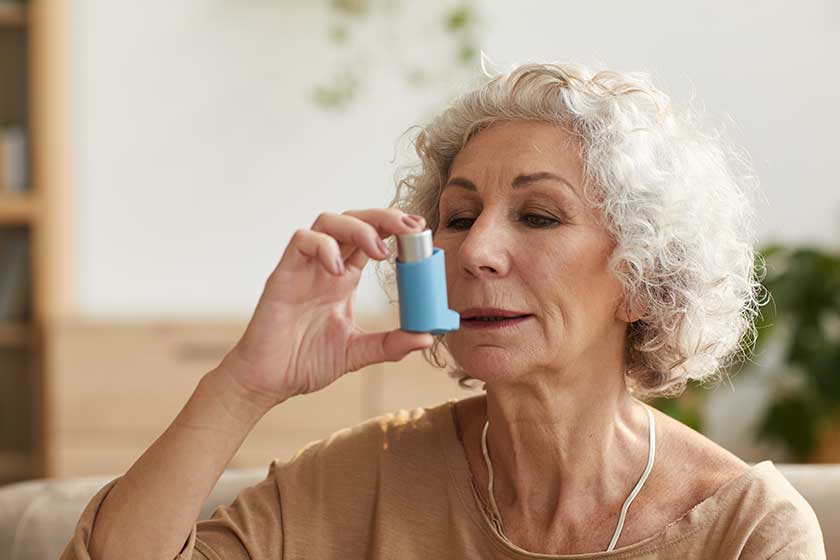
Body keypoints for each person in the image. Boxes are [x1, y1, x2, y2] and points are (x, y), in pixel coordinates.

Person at [62, 62, 825, 559]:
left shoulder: (746, 530)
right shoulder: (356, 481)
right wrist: (244, 385)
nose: (476, 252)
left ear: (642, 277)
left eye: (537, 217)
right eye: (459, 218)